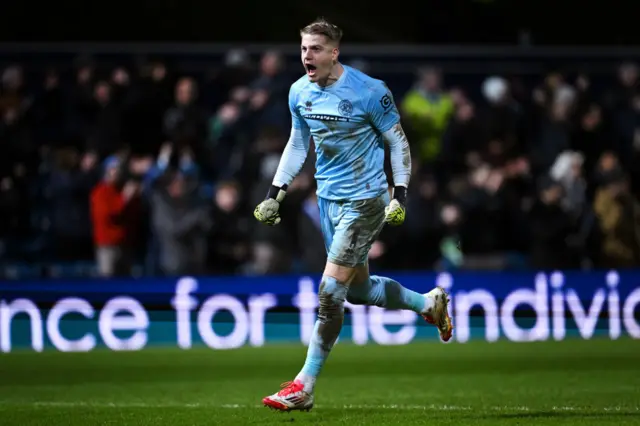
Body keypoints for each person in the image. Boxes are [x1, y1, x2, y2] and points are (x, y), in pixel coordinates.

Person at [254, 18, 453, 412]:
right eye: (303, 49)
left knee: (330, 293)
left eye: (314, 49)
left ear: (333, 53)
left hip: (366, 200)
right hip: (328, 200)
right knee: (358, 291)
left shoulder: (370, 91)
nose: (306, 56)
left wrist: (400, 194)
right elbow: (297, 144)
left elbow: (397, 143)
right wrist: (275, 192)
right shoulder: (299, 92)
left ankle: (303, 385)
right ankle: (428, 304)